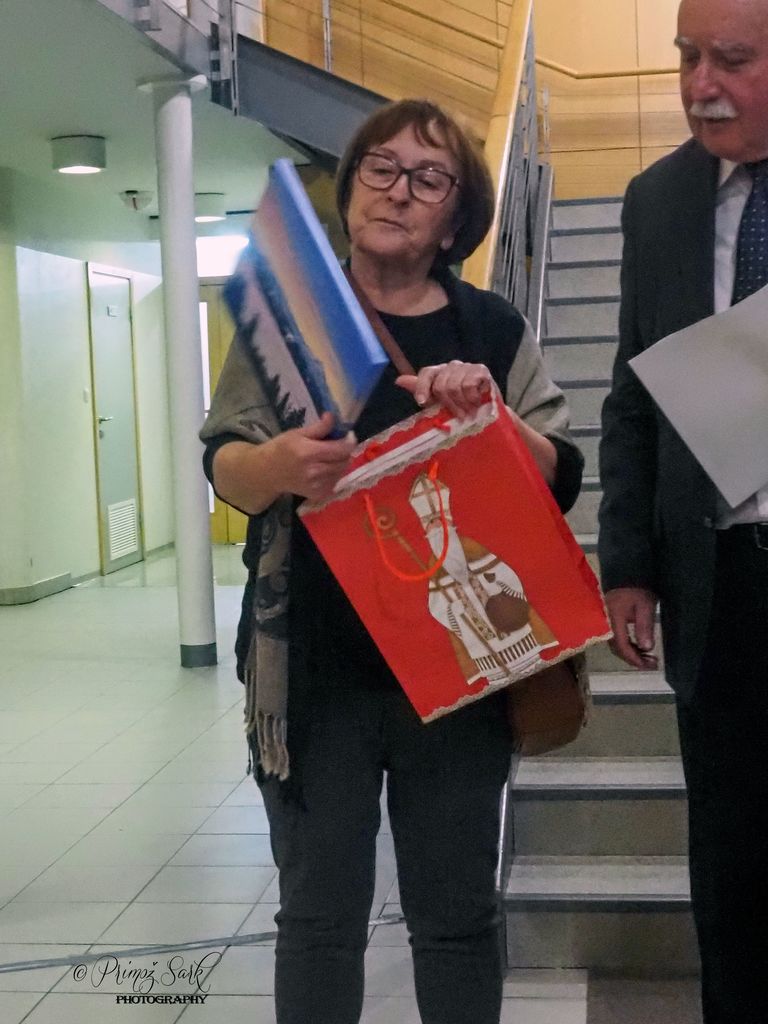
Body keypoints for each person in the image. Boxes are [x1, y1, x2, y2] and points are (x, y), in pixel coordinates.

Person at [201, 98, 583, 1024]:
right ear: (350, 188)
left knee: (455, 920)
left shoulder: (491, 331)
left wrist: (490, 417)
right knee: (318, 920)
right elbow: (225, 464)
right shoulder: (291, 312)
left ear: (455, 220)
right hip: (316, 674)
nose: (398, 190)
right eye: (380, 166)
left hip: (460, 671)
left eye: (428, 177)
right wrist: (278, 465)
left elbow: (562, 473)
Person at [598, 1, 768, 1020]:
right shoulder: (657, 200)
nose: (702, 84)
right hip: (720, 584)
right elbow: (631, 394)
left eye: (732, 59)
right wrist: (626, 561)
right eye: (687, 56)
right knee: (733, 862)